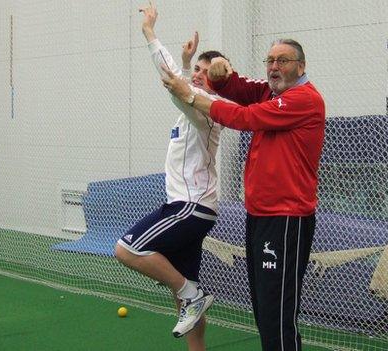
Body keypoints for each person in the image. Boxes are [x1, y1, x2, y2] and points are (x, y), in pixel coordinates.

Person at [162, 38, 325, 350]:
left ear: (301, 66)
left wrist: (193, 97)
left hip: (286, 218)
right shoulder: (271, 91)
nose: (274, 67)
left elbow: (245, 117)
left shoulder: (304, 99)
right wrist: (220, 76)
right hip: (261, 215)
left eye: (284, 61)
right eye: (270, 60)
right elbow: (240, 88)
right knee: (265, 308)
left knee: (277, 311)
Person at [114, 3, 227, 349]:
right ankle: (191, 299)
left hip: (189, 208)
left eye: (205, 72)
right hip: (194, 208)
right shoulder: (192, 110)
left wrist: (149, 32)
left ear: (216, 83)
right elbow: (183, 85)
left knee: (126, 249)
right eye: (197, 71)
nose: (196, 75)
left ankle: (192, 293)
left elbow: (174, 82)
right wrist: (189, 64)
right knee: (185, 297)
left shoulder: (207, 109)